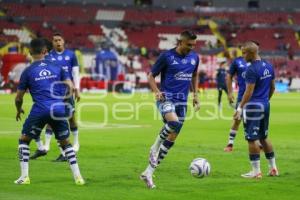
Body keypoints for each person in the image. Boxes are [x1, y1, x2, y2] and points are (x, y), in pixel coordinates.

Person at [14, 38, 85, 185]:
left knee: (24, 140)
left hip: (39, 109)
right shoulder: (58, 67)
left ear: (29, 52)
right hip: (58, 108)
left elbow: (18, 97)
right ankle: (78, 178)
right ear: (45, 51)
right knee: (66, 143)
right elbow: (70, 87)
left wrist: (18, 109)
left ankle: (24, 177)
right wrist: (64, 103)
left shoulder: (27, 72)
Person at [140, 30, 200, 189]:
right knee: (173, 122)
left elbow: (194, 75)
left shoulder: (194, 57)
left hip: (183, 102)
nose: (191, 48)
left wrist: (195, 95)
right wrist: (157, 92)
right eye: (189, 45)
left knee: (171, 140)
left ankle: (148, 172)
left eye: (193, 45)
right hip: (166, 98)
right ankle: (154, 147)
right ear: (180, 42)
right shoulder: (167, 56)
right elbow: (151, 76)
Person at [30, 33, 81, 161]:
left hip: (67, 91)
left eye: (59, 40)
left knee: (71, 117)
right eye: (55, 40)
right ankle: (47, 146)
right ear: (52, 43)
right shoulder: (48, 56)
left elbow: (75, 72)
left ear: (63, 41)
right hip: (53, 93)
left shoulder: (71, 55)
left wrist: (77, 88)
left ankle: (76, 143)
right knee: (50, 117)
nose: (57, 42)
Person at [234, 41, 278, 178]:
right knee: (264, 137)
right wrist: (266, 100)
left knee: (251, 139)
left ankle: (256, 171)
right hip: (265, 105)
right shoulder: (269, 66)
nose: (242, 56)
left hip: (253, 107)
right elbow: (273, 87)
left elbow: (248, 92)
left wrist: (240, 108)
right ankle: (273, 168)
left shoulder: (251, 70)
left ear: (251, 53)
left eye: (244, 53)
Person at [224, 55, 248, 152]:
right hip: (242, 96)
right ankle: (230, 143)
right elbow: (229, 76)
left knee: (254, 121)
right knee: (237, 119)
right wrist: (230, 92)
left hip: (257, 98)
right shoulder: (238, 61)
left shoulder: (260, 62)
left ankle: (258, 144)